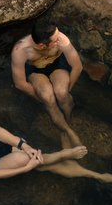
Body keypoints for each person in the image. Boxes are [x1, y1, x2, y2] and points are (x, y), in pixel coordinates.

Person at [11, 15, 83, 147]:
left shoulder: (61, 39)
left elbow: (77, 66)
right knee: (47, 97)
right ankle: (67, 131)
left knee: (61, 93)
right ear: (42, 46)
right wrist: (40, 98)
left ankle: (67, 121)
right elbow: (20, 84)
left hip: (57, 65)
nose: (59, 39)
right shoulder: (21, 50)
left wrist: (68, 90)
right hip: (35, 70)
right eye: (55, 40)